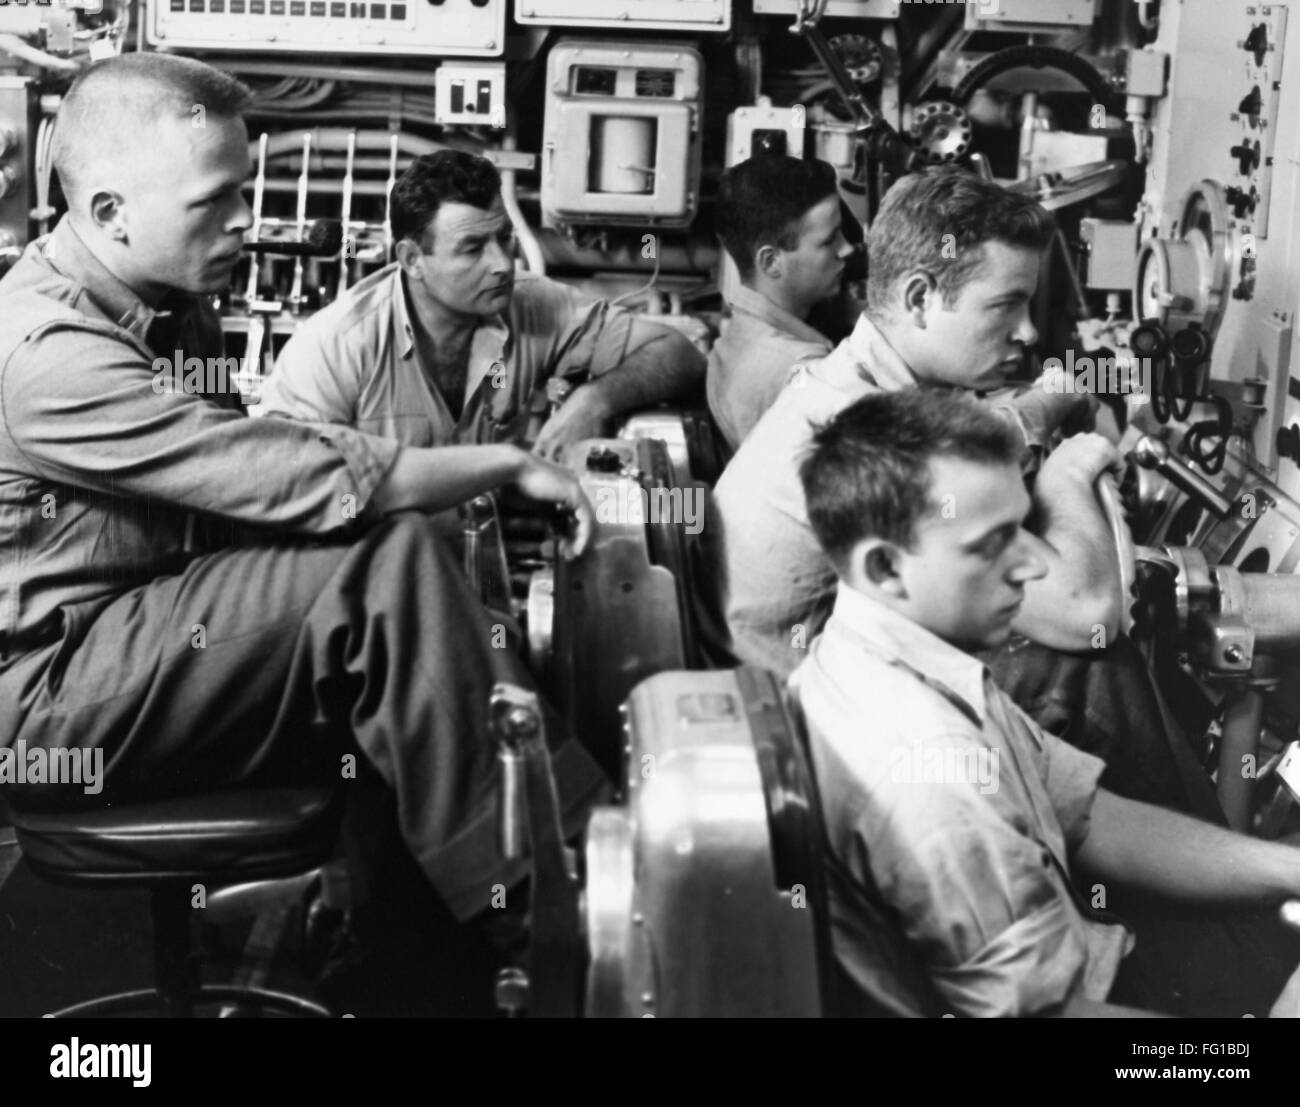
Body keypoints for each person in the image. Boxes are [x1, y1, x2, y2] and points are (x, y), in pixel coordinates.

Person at [0, 53, 608, 926]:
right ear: (109, 214)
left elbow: (248, 492)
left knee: (389, 553)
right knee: (378, 563)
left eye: (243, 189)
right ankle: (554, 899)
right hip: (49, 703)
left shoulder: (168, 299)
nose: (245, 221)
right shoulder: (48, 353)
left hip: (139, 633)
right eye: (212, 202)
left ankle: (418, 902)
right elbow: (283, 473)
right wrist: (510, 463)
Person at [713, 166, 1217, 818]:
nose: (1030, 332)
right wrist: (1072, 465)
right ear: (921, 298)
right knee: (1091, 665)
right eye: (1005, 305)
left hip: (791, 693)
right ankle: (1227, 903)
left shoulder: (843, 381)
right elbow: (1086, 611)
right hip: (820, 749)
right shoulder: (871, 432)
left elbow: (970, 443)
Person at [790, 389, 1300, 1018]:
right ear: (886, 568)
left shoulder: (897, 660)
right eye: (995, 542)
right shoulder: (934, 771)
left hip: (1089, 961)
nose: (1034, 564)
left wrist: (1290, 867)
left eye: (1023, 525)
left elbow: (1092, 819)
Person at [258, 149, 706, 462]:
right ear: (413, 260)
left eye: (504, 239)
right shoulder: (335, 347)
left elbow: (679, 355)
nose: (502, 264)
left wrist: (594, 400)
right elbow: (291, 482)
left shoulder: (531, 303)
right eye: (472, 248)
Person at [708, 155, 848, 450]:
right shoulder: (802, 371)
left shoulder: (733, 338)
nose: (846, 249)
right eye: (829, 240)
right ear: (771, 262)